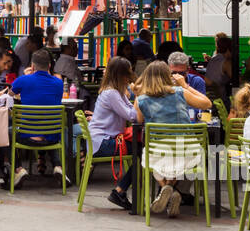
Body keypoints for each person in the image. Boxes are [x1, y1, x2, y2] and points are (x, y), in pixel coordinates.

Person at [133, 61, 213, 217]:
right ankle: (172, 190)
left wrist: (137, 96)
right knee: (180, 159)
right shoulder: (179, 92)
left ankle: (165, 188)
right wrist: (186, 86)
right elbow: (207, 103)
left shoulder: (141, 99)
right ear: (167, 76)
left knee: (149, 158)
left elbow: (138, 120)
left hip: (158, 152)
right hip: (186, 151)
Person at [8, 49, 68, 183]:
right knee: (50, 127)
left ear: (32, 66)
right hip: (51, 137)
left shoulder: (22, 80)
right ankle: (58, 166)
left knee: (5, 133)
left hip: (27, 135)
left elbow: (9, 96)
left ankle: (18, 169)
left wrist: (25, 77)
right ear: (50, 66)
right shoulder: (59, 83)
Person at [92, 58, 139, 210]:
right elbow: (133, 116)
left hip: (105, 139)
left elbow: (131, 110)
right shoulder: (112, 93)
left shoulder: (116, 91)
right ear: (122, 75)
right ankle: (120, 191)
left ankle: (120, 191)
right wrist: (139, 96)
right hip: (104, 142)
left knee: (143, 153)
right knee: (143, 154)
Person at [204, 33, 233, 99]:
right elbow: (236, 80)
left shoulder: (213, 59)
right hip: (221, 99)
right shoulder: (226, 63)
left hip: (210, 97)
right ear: (228, 50)